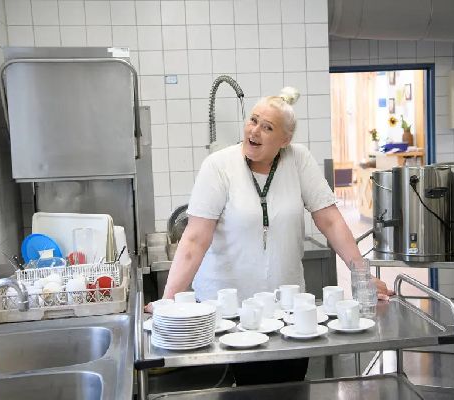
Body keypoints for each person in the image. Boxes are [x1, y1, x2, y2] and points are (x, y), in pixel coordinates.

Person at [148, 87, 393, 384]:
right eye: (253, 121)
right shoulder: (219, 166)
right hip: (228, 314)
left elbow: (330, 220)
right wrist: (168, 301)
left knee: (289, 388)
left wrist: (362, 276)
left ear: (284, 140)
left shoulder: (298, 160)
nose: (255, 131)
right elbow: (194, 239)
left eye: (267, 127)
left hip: (287, 311)